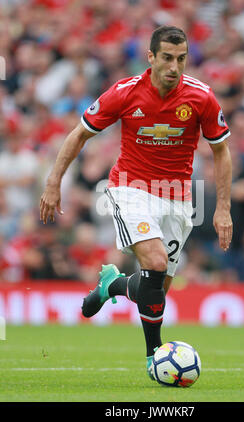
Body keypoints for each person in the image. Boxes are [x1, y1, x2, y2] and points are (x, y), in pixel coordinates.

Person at [39, 26, 233, 380]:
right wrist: (54, 182)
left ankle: (112, 286)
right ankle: (154, 358)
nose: (175, 67)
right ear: (151, 57)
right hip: (131, 189)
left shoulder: (201, 98)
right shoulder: (126, 92)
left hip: (177, 198)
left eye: (181, 59)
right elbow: (80, 133)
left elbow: (221, 150)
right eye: (167, 58)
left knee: (154, 288)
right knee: (156, 264)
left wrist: (222, 208)